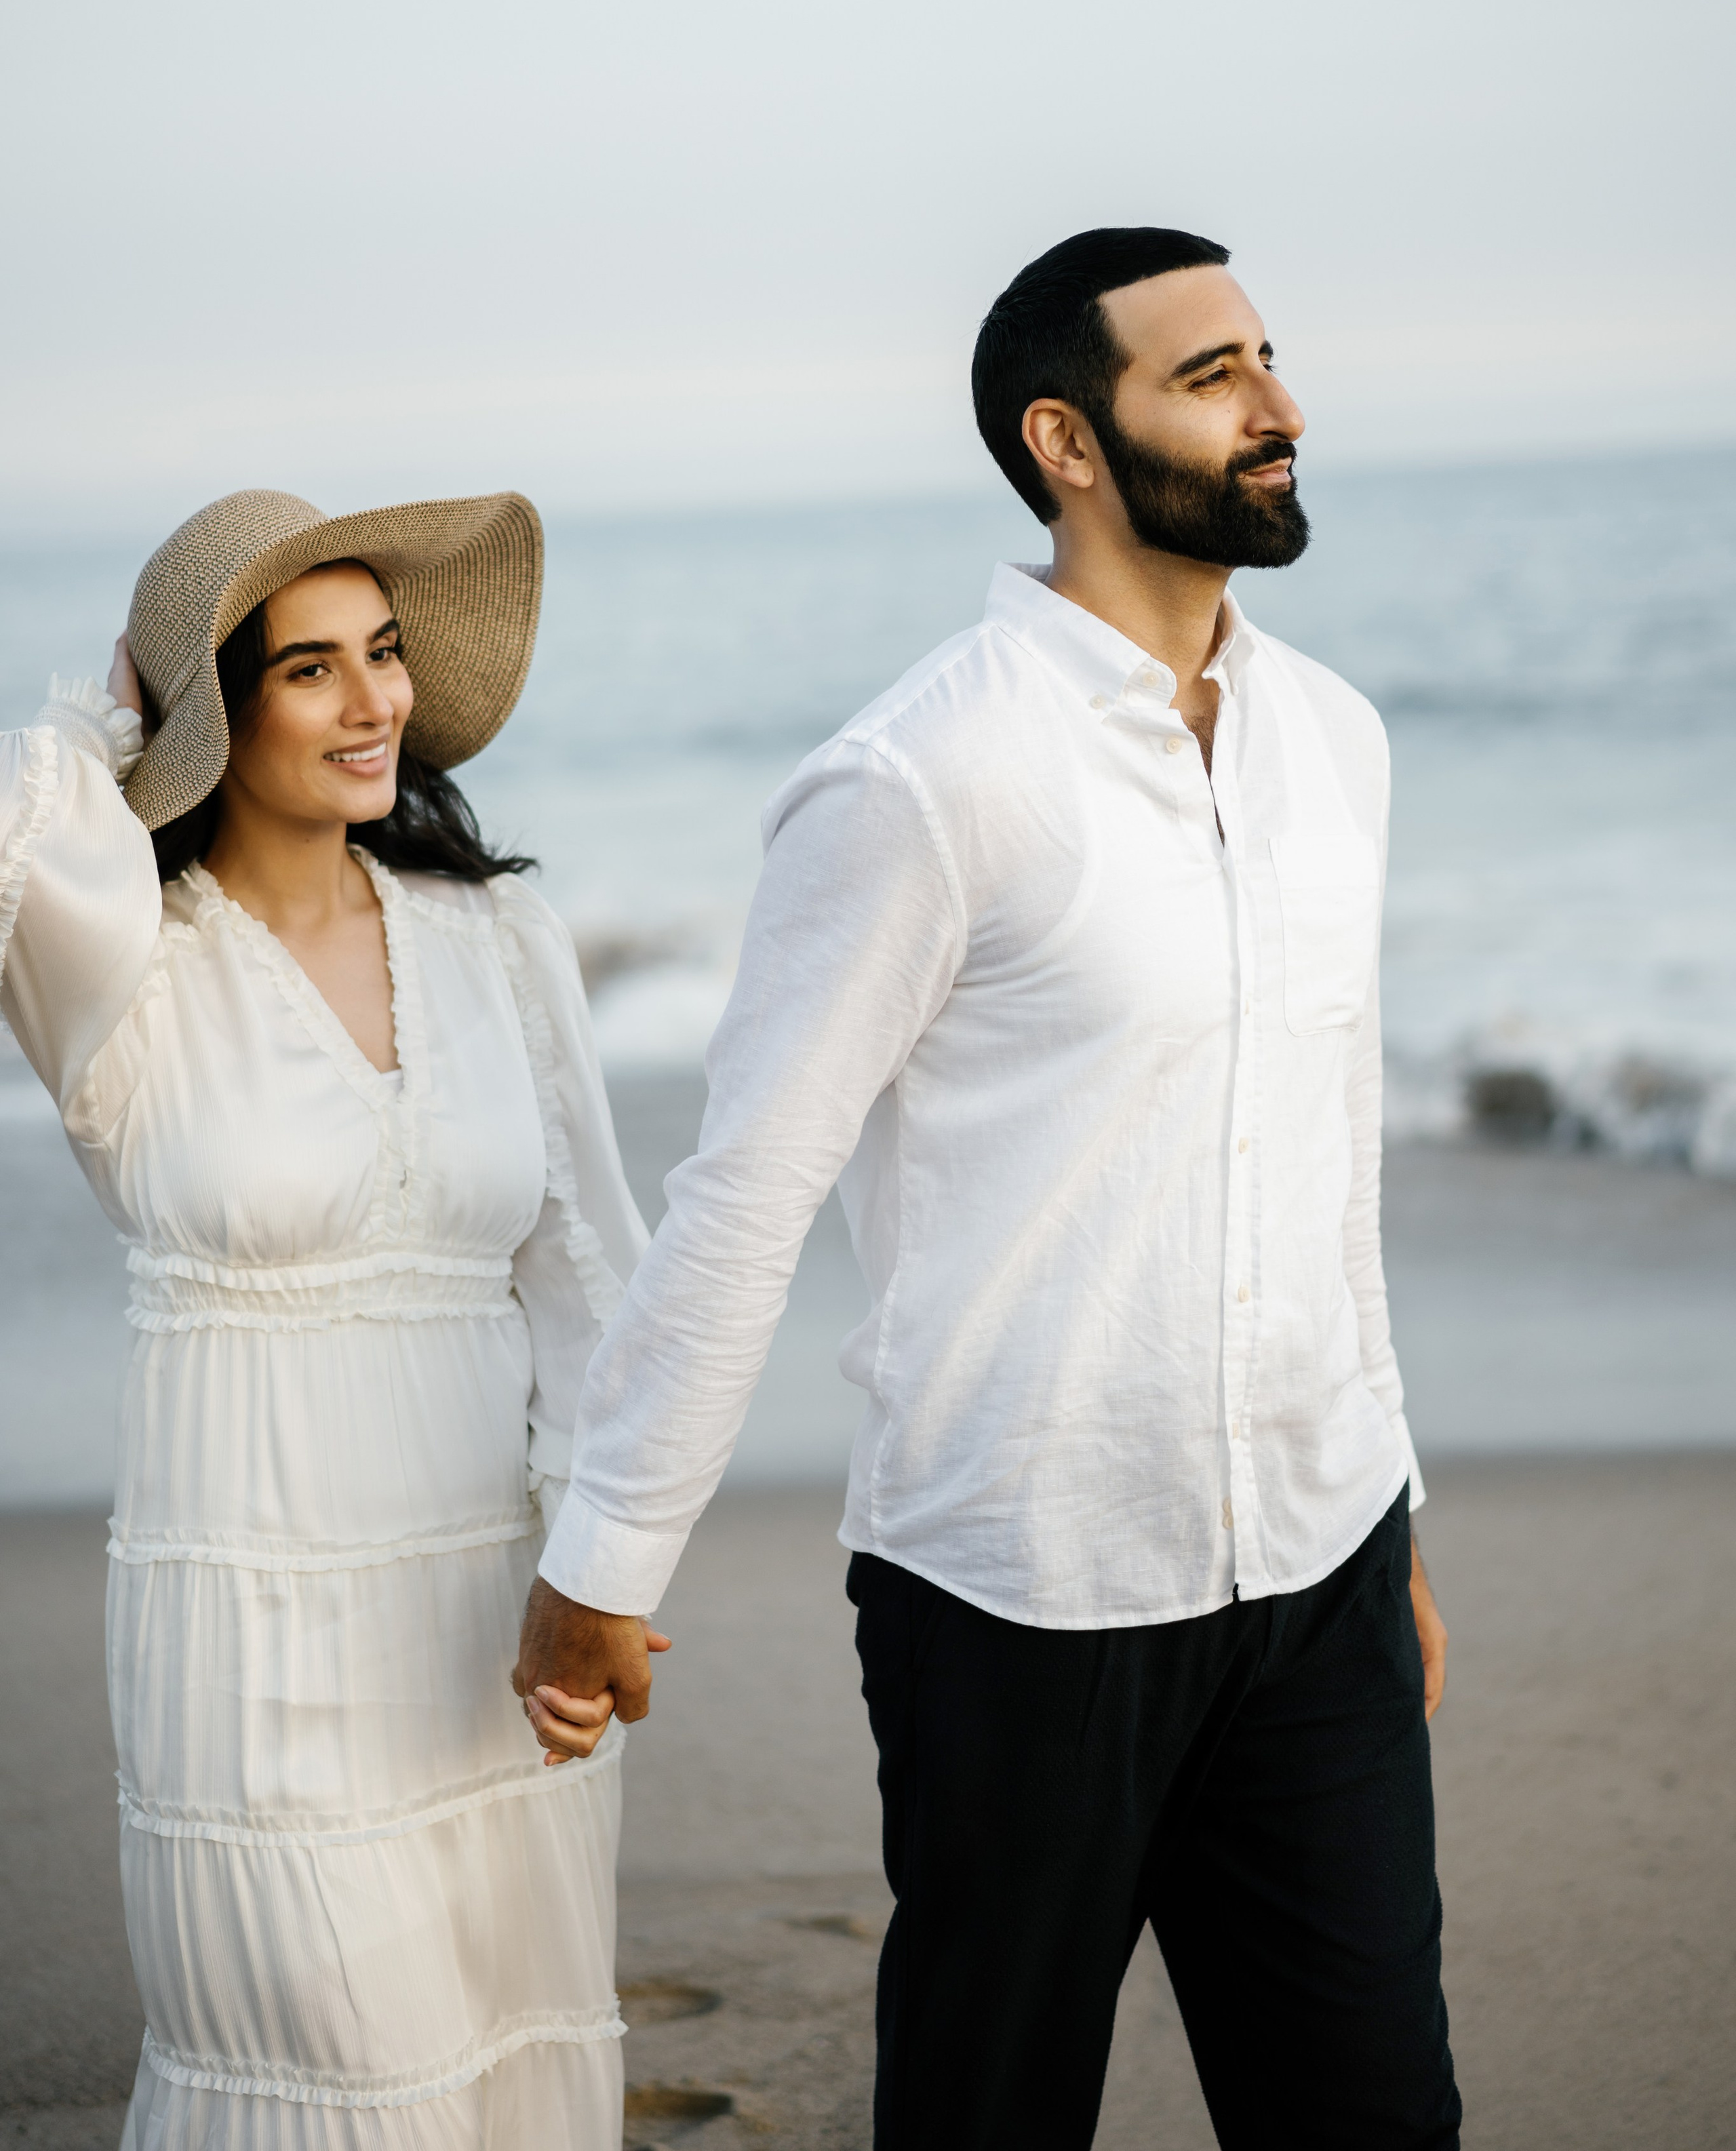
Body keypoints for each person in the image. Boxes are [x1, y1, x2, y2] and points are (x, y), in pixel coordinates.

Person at [515, 228, 1461, 2149]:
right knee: (990, 2112)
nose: (1278, 409)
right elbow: (747, 1192)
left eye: (1269, 358)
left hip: (1319, 1561)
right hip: (1020, 1594)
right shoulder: (922, 778)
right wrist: (603, 1561)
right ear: (1068, 441)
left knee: (1374, 2115)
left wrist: (1393, 1499)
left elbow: (1324, 1152)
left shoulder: (1336, 744)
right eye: (1211, 376)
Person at [0, 488, 656, 2148]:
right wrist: (102, 718)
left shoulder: (496, 934)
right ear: (218, 708)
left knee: (497, 2052)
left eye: (385, 656)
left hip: (489, 1620)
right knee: (336, 2070)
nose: (376, 703)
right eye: (311, 668)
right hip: (256, 1624)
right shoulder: (119, 967)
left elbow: (592, 1285)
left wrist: (606, 1575)